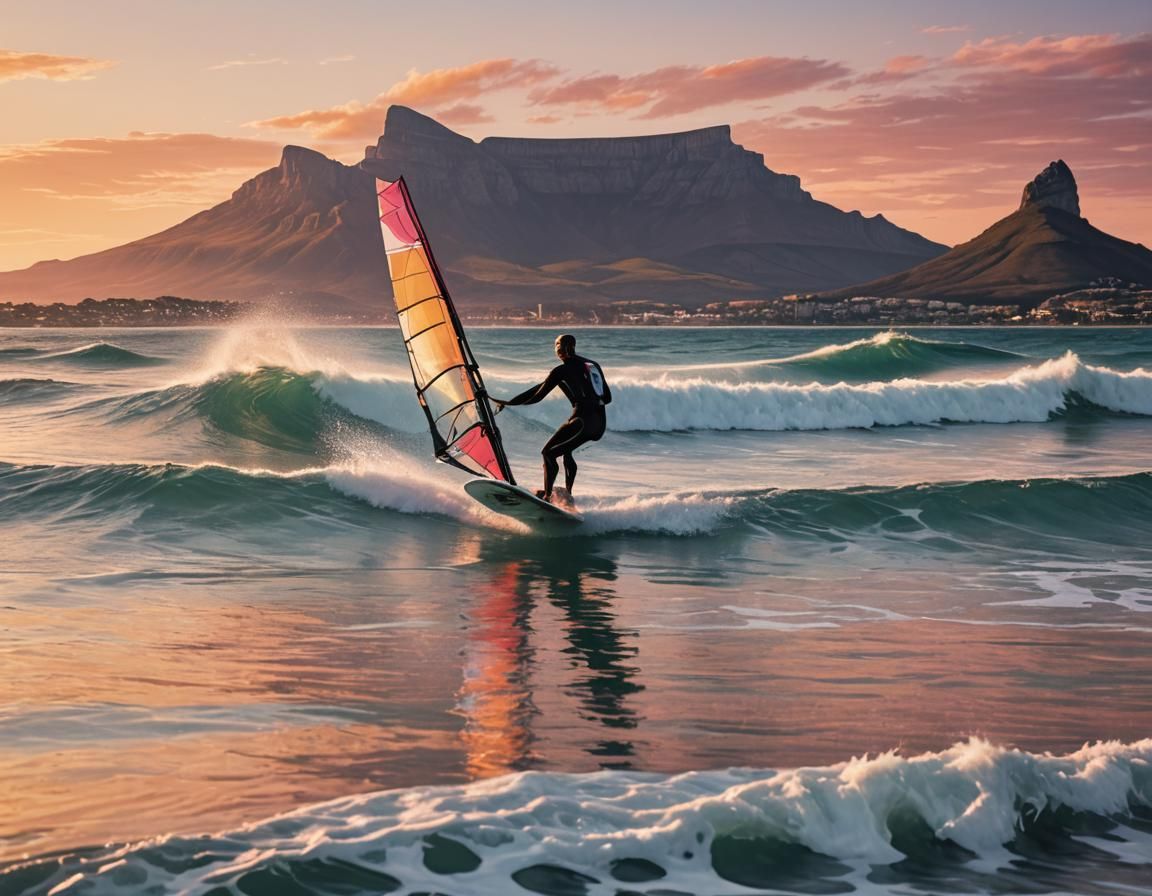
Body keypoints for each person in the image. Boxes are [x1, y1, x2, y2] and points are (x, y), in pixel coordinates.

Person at [493, 334, 611, 505]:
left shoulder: (561, 371)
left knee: (548, 453)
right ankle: (568, 494)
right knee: (567, 451)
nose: (556, 348)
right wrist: (510, 402)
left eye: (557, 345)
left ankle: (547, 497)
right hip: (598, 424)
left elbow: (537, 397)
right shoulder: (592, 365)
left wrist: (509, 404)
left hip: (581, 420)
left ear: (563, 348)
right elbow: (607, 398)